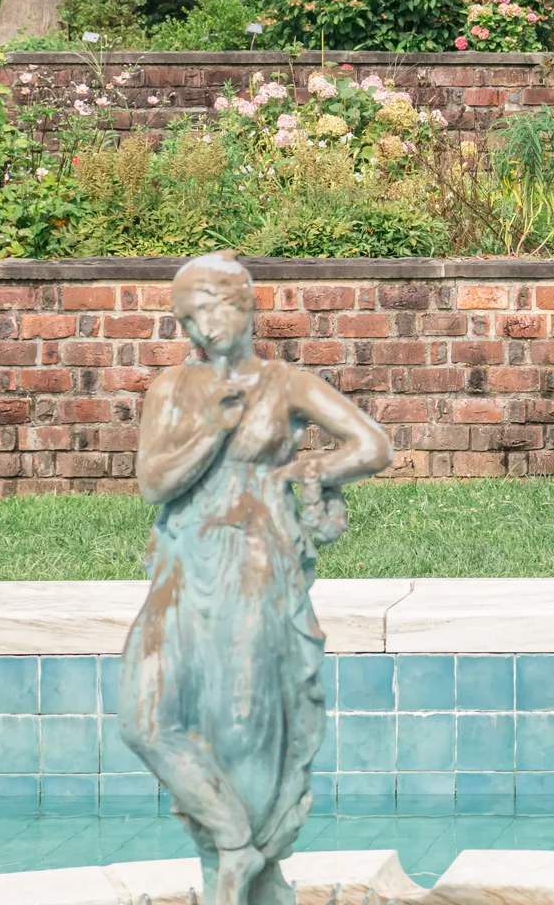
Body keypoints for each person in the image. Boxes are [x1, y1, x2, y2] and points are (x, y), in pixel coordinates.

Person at [119, 253, 391, 905]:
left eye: (206, 309)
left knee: (243, 728)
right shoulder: (171, 390)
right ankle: (235, 845)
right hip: (183, 567)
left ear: (244, 303)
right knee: (145, 718)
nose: (195, 329)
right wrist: (214, 426)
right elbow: (153, 481)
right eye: (185, 317)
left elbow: (373, 445)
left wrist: (312, 472)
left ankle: (244, 880)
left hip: (255, 567)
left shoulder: (285, 383)